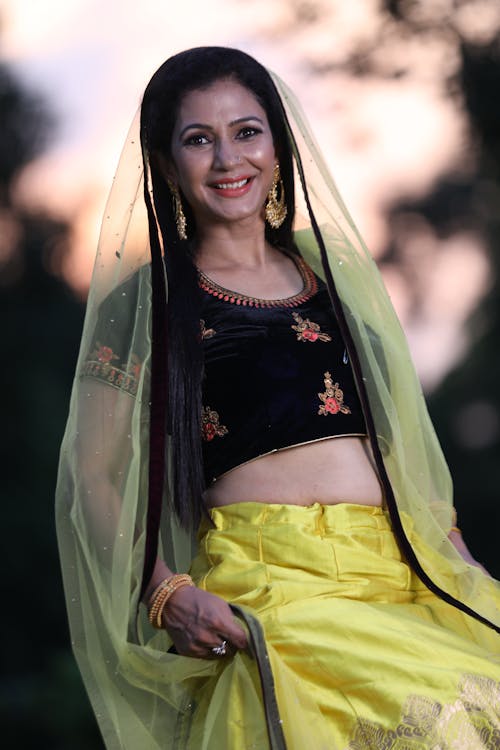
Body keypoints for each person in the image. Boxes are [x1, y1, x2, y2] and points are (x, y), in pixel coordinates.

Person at [56, 47, 499, 750]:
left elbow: (396, 448)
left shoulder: (333, 276)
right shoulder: (147, 304)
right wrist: (165, 593)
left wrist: (465, 570)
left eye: (247, 131)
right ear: (167, 165)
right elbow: (93, 475)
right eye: (199, 139)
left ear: (279, 144)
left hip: (408, 571)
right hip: (276, 591)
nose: (229, 159)